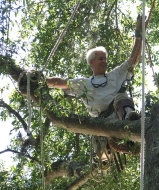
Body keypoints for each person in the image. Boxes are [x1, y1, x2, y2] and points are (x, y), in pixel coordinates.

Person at [46, 15, 143, 165]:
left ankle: (131, 121)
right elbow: (61, 82)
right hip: (102, 123)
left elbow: (133, 59)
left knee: (120, 97)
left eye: (105, 58)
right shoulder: (83, 83)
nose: (105, 61)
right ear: (91, 62)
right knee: (100, 155)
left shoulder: (115, 75)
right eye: (101, 59)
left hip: (119, 115)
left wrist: (139, 34)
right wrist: (41, 81)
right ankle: (103, 155)